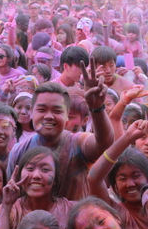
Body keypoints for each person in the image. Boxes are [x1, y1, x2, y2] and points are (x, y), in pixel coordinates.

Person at [6, 71, 114, 201]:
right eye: (41, 110)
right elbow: (12, 197)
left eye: (57, 111)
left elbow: (104, 142)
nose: (49, 116)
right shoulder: (19, 151)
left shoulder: (77, 142)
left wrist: (97, 108)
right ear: (32, 112)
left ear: (67, 115)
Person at [0, 146, 74, 229]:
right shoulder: (9, 211)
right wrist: (6, 206)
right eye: (30, 168)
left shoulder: (70, 210)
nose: (36, 175)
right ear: (19, 175)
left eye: (45, 170)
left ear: (55, 179)